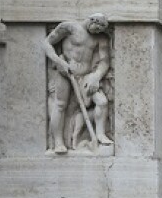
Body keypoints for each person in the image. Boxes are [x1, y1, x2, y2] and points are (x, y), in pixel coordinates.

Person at [43, 13, 113, 153]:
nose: (98, 32)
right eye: (97, 29)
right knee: (60, 104)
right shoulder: (69, 28)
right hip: (65, 72)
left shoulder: (101, 38)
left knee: (102, 102)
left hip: (86, 76)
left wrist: (96, 76)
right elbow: (47, 43)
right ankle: (58, 142)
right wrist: (58, 62)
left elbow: (105, 61)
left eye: (100, 30)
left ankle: (100, 134)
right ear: (92, 21)